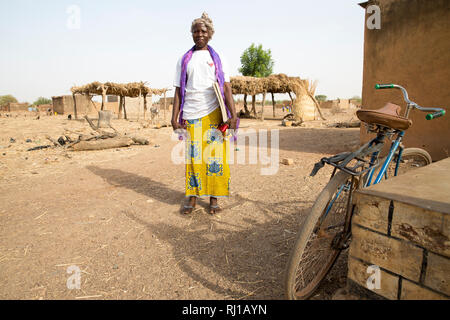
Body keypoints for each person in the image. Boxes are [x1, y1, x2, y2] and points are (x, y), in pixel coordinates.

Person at [171, 12, 238, 215]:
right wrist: (173, 118)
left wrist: (233, 114)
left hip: (215, 113)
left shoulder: (217, 58)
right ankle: (192, 197)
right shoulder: (184, 60)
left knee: (215, 157)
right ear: (191, 34)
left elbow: (226, 87)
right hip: (191, 113)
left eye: (203, 31)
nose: (199, 34)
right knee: (194, 158)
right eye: (195, 31)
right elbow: (177, 89)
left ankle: (214, 197)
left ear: (210, 34)